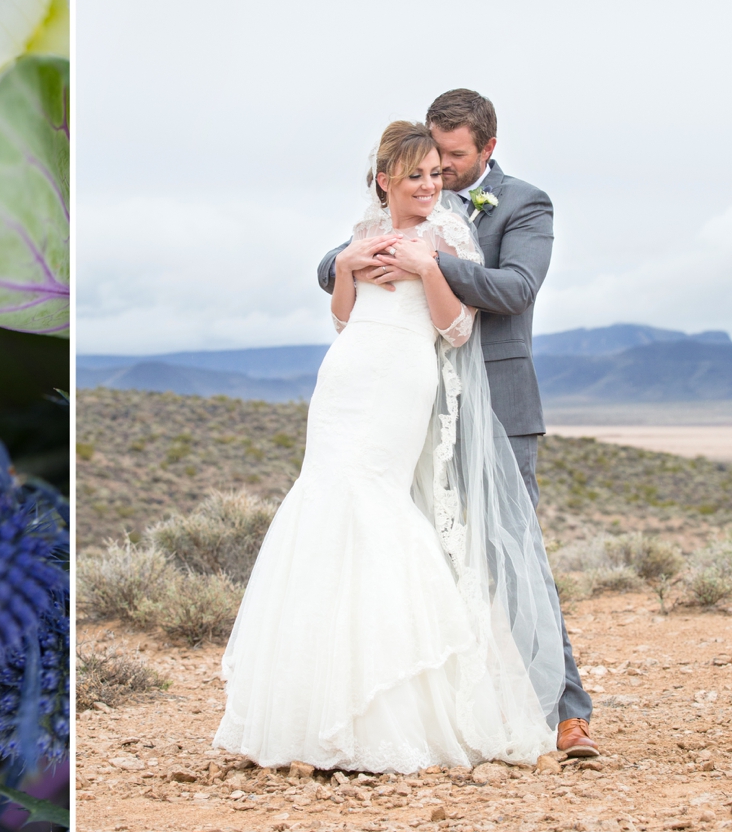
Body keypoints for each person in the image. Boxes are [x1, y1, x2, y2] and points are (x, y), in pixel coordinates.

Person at [216, 121, 568, 775]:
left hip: (405, 377)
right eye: (417, 177)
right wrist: (349, 266)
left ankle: (396, 705)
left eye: (437, 175)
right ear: (386, 180)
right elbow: (344, 317)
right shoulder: (360, 232)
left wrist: (428, 266)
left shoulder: (451, 236)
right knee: (324, 504)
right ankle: (312, 706)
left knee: (376, 503)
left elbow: (458, 329)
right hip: (346, 374)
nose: (431, 187)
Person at [319, 86, 598, 758]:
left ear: (488, 150)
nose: (439, 171)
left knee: (512, 555)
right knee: (419, 553)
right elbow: (330, 264)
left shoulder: (525, 204)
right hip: (411, 407)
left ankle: (567, 714)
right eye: (431, 157)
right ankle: (430, 711)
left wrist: (433, 264)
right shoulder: (417, 197)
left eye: (453, 158)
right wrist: (355, 260)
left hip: (498, 404)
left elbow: (515, 289)